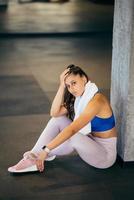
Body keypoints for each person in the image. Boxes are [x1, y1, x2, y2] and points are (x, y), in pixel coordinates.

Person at [8, 64, 117, 173]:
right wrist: (61, 86)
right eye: (68, 86)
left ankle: (40, 155)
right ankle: (34, 155)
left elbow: (72, 130)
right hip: (90, 143)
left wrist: (46, 149)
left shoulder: (96, 101)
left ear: (84, 79)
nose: (72, 89)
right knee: (58, 119)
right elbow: (54, 113)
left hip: (105, 156)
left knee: (73, 135)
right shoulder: (80, 99)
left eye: (74, 83)